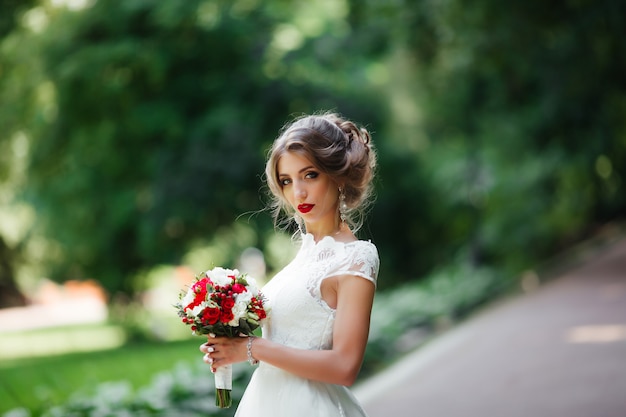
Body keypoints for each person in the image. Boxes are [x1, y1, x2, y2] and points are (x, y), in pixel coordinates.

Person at [200, 112, 380, 416]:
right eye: (287, 180)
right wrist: (232, 345)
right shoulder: (306, 254)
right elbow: (285, 341)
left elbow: (345, 367)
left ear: (337, 175)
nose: (298, 192)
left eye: (310, 175)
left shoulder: (356, 258)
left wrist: (252, 348)